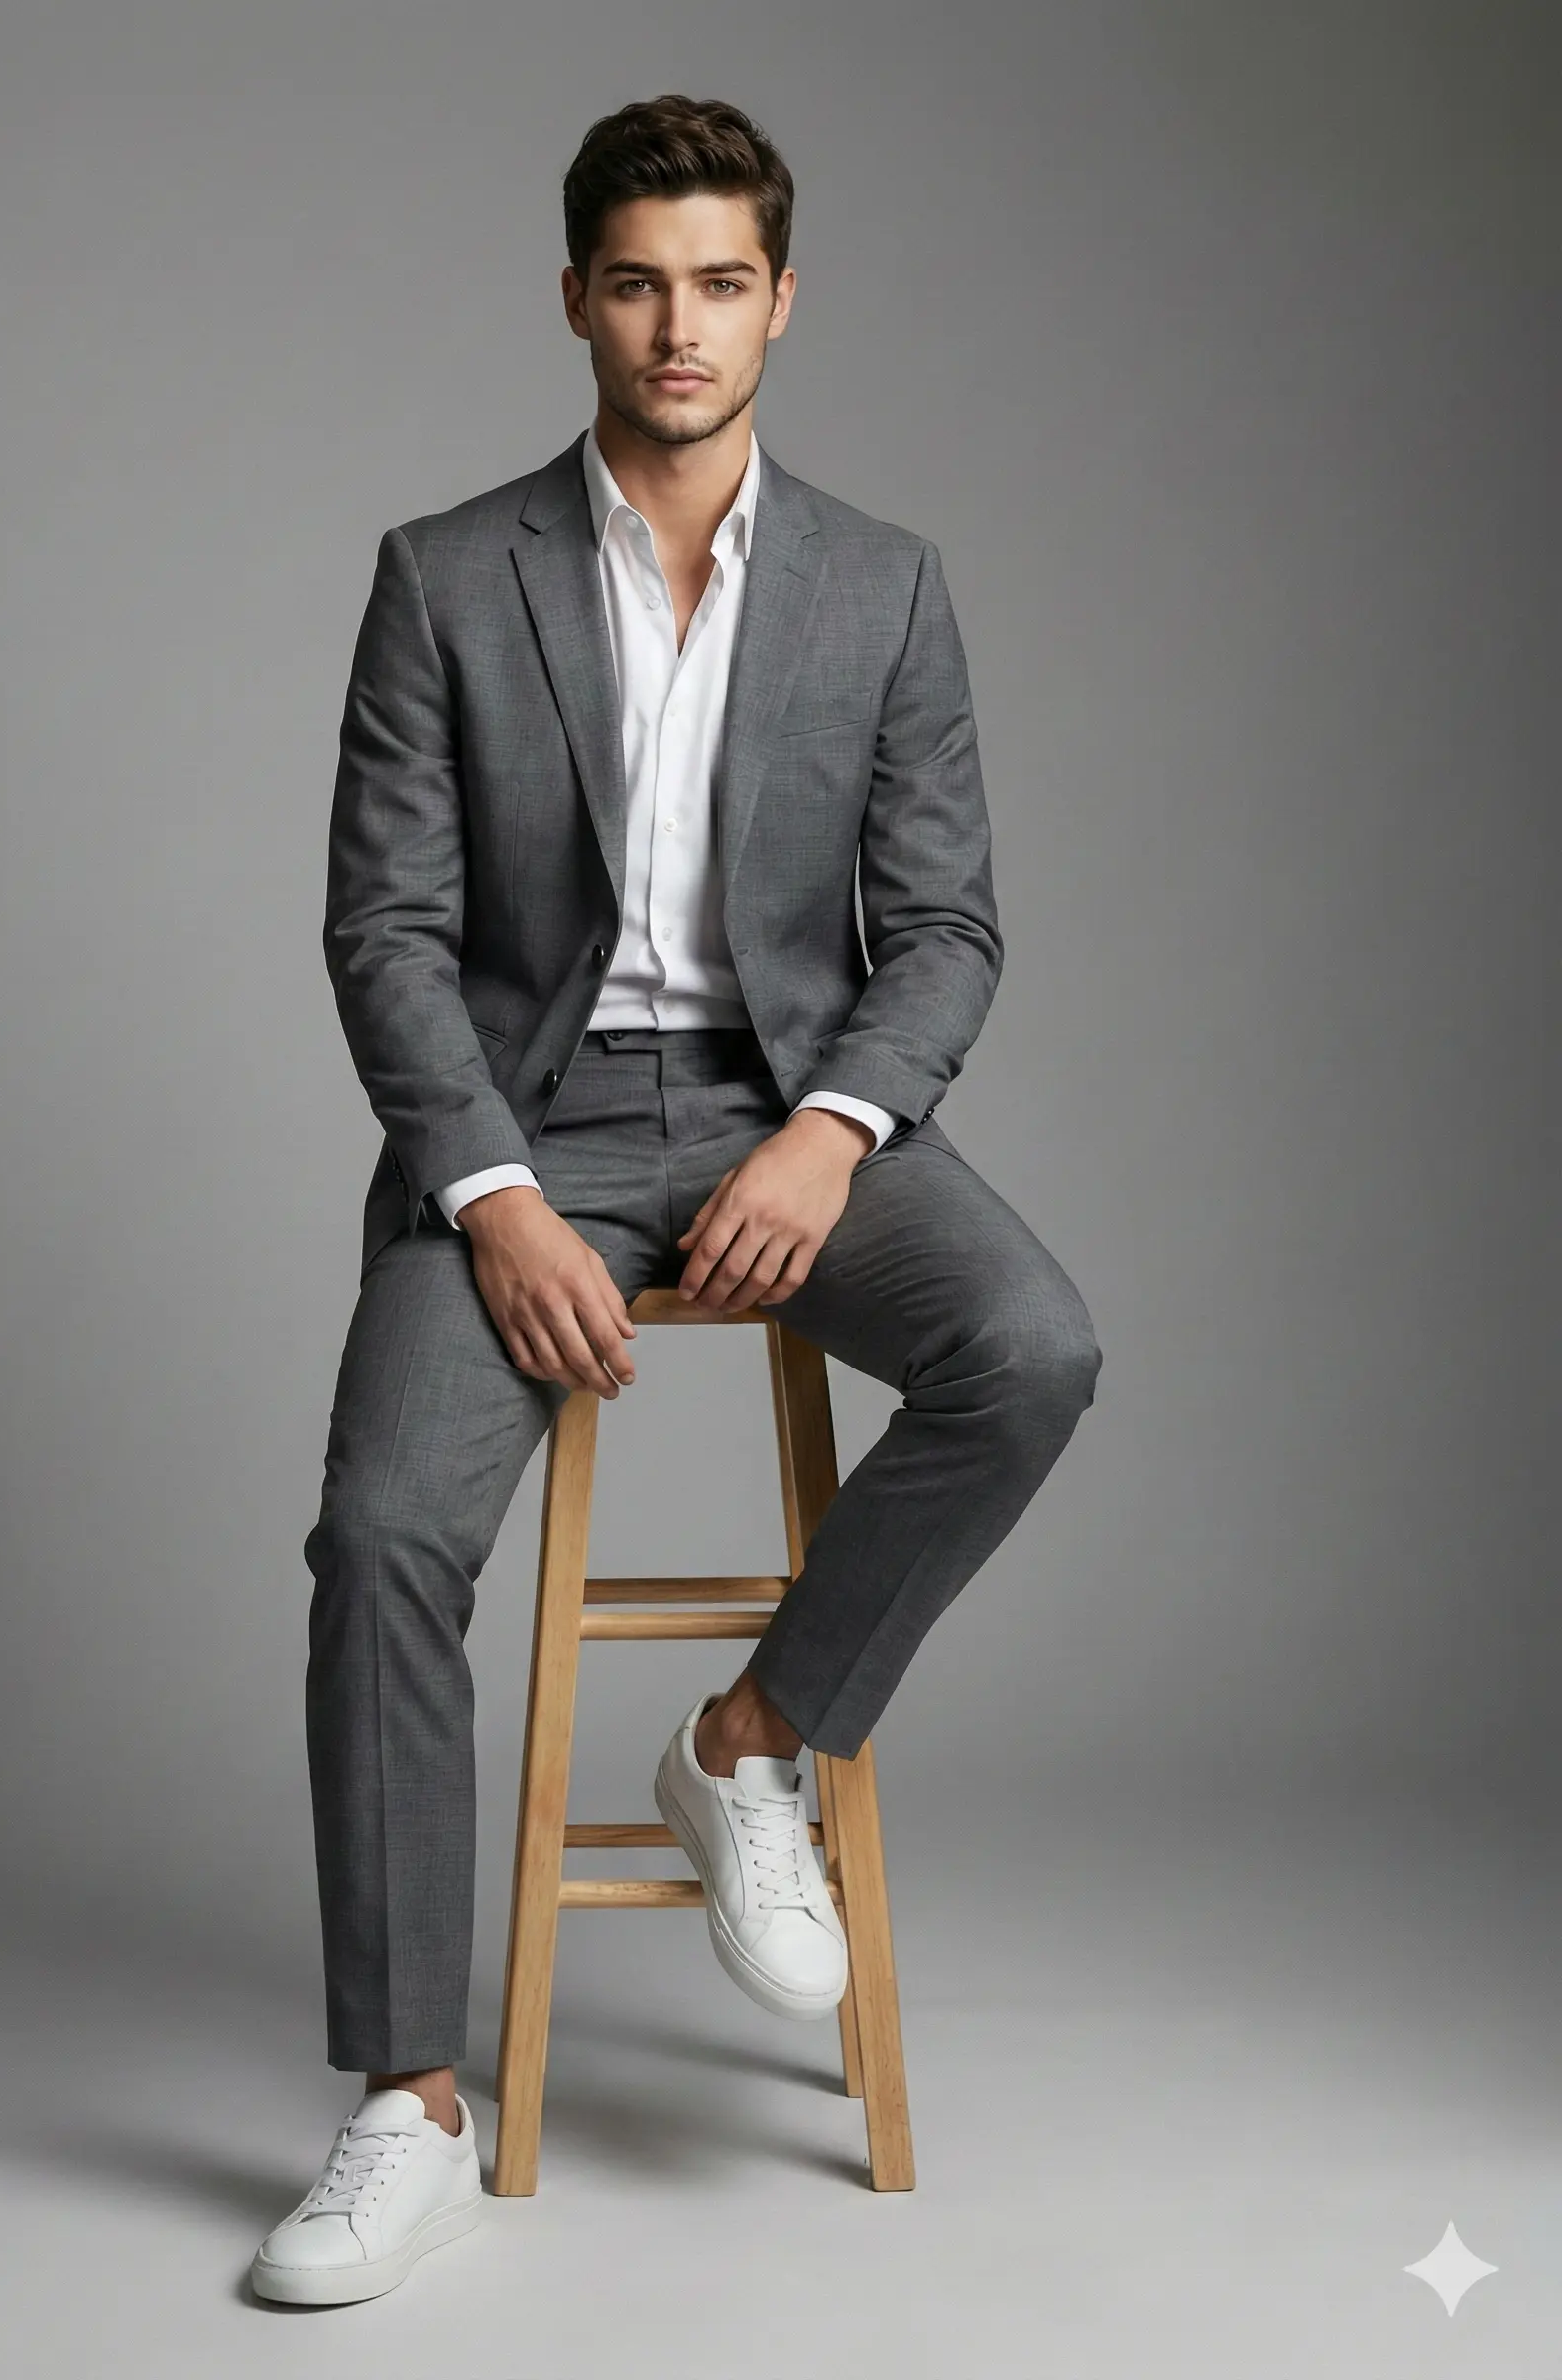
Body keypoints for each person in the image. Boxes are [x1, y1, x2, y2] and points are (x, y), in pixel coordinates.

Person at [250, 91, 1102, 2307]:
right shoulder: (446, 572)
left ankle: (750, 1743)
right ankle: (401, 2108)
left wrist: (831, 1131)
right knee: (376, 1539)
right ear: (573, 302)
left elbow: (942, 933)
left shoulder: (883, 584)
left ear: (779, 301)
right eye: (635, 281)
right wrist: (492, 1196)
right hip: (524, 1132)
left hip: (774, 1114)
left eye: (718, 282)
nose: (676, 324)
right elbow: (383, 934)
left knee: (1032, 1352)